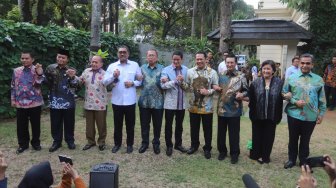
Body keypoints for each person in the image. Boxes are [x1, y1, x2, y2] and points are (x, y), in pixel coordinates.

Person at [283, 53, 327, 169]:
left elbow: (322, 99)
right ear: (299, 63)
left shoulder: (319, 80)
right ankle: (291, 160)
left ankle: (303, 161)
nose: (304, 65)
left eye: (308, 63)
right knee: (293, 138)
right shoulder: (291, 78)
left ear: (312, 65)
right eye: (302, 63)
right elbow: (283, 93)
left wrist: (321, 113)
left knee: (305, 140)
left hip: (311, 116)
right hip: (293, 114)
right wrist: (294, 101)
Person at [102, 45, 142, 154]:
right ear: (117, 54)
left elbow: (140, 80)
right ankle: (117, 144)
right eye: (120, 52)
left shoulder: (134, 65)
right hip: (117, 101)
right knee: (117, 124)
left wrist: (133, 83)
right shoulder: (112, 66)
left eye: (124, 52)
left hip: (130, 101)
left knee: (130, 124)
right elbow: (104, 82)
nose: (122, 54)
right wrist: (113, 76)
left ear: (128, 54)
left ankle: (130, 145)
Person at [248, 60, 289, 164]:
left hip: (272, 115)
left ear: (273, 71)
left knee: (268, 136)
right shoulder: (255, 82)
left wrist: (288, 96)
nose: (266, 71)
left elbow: (284, 96)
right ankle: (255, 154)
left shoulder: (279, 83)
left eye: (268, 69)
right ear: (261, 70)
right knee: (256, 135)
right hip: (257, 114)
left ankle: (265, 156)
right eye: (264, 68)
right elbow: (251, 98)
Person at [44, 49, 80, 152]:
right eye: (59, 57)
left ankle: (70, 141)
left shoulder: (71, 70)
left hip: (69, 101)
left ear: (67, 59)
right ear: (56, 57)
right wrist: (40, 74)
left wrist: (72, 77)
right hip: (55, 99)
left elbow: (77, 87)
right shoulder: (50, 68)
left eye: (63, 57)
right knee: (55, 122)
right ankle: (56, 142)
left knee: (69, 122)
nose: (60, 59)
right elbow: (45, 82)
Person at [185, 51, 219, 159]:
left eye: (201, 59)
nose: (199, 61)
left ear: (205, 59)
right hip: (193, 106)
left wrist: (207, 92)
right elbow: (187, 87)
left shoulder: (212, 72)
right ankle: (194, 146)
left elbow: (216, 88)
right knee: (194, 128)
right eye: (197, 59)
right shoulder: (190, 72)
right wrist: (181, 82)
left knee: (207, 129)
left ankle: (207, 148)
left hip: (207, 107)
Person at [217, 53, 249, 164]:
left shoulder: (241, 76)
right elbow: (216, 87)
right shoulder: (220, 74)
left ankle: (234, 154)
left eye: (232, 62)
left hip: (235, 110)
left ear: (235, 63)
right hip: (222, 109)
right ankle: (222, 151)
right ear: (225, 63)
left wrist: (242, 94)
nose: (229, 64)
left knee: (234, 134)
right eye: (228, 62)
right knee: (221, 133)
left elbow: (246, 90)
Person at [11, 51, 44, 154]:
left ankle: (36, 143)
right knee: (21, 125)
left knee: (35, 124)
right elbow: (13, 86)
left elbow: (39, 83)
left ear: (32, 59)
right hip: (20, 102)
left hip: (35, 102)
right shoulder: (16, 71)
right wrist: (13, 99)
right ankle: (23, 145)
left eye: (26, 58)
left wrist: (39, 73)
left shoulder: (37, 70)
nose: (24, 60)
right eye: (22, 58)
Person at [160, 51, 188, 156]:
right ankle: (169, 145)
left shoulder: (186, 70)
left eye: (178, 59)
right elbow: (162, 85)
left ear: (182, 59)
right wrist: (175, 81)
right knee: (168, 125)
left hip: (181, 103)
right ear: (172, 59)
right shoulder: (166, 70)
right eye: (174, 59)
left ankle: (178, 144)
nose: (176, 61)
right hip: (170, 104)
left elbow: (188, 86)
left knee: (179, 125)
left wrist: (182, 82)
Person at [138, 49, 164, 154]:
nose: (151, 57)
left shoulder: (163, 69)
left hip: (158, 102)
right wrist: (138, 78)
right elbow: (137, 82)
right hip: (144, 102)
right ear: (146, 57)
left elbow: (165, 82)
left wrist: (165, 80)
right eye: (149, 55)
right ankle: (145, 143)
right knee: (144, 124)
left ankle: (156, 144)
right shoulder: (141, 68)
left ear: (157, 57)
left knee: (157, 125)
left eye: (153, 55)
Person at [80, 55, 108, 151]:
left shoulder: (105, 73)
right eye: (92, 62)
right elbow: (80, 81)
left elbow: (110, 83)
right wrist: (75, 77)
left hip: (101, 103)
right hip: (88, 103)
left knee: (101, 125)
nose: (94, 64)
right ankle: (90, 142)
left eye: (96, 62)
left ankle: (101, 142)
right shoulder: (86, 71)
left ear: (101, 64)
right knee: (89, 125)